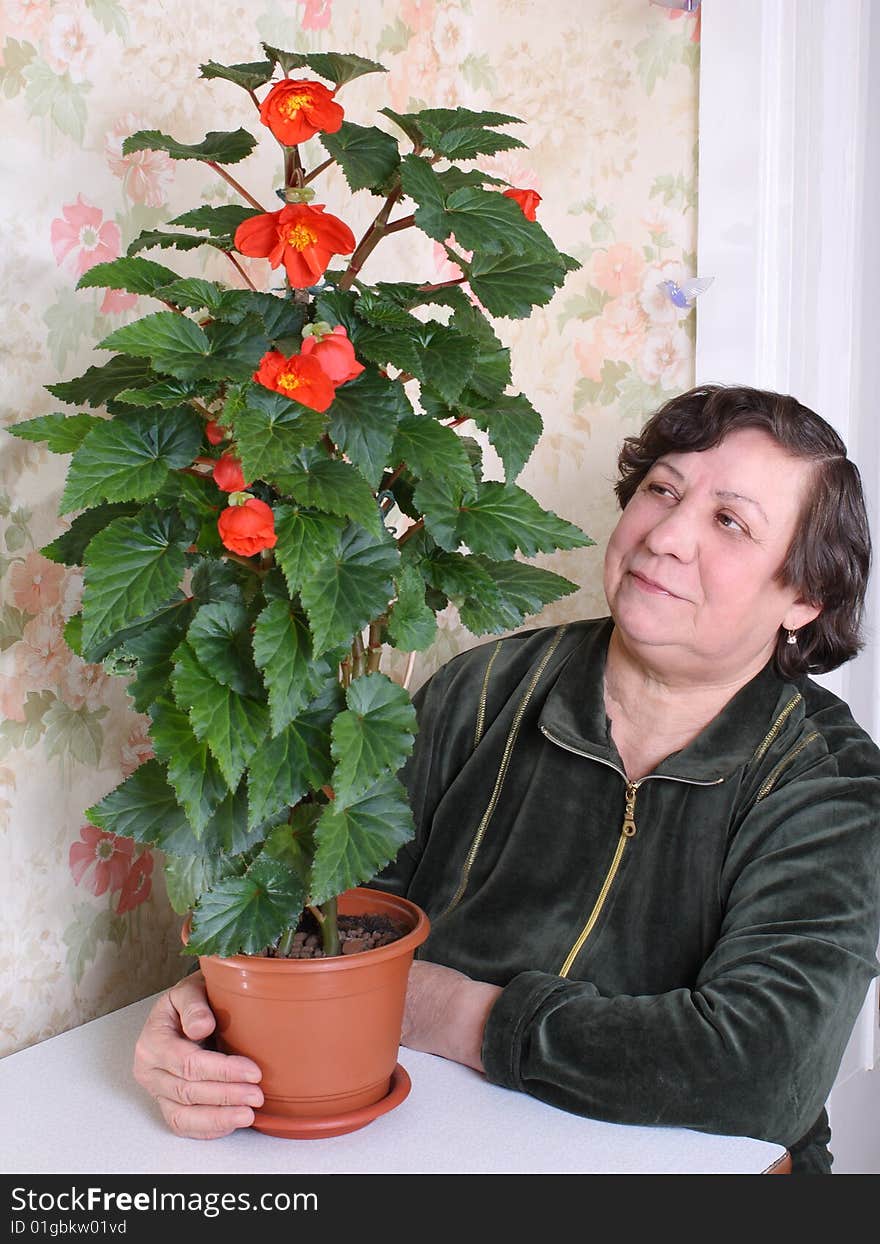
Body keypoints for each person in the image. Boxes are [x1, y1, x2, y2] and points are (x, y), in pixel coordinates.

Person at [133, 384, 880, 1173]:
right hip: (428, 1146)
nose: (666, 535)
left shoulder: (829, 785)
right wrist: (207, 1013)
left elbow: (762, 1070)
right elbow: (319, 908)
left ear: (804, 598)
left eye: (729, 521)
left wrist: (454, 1012)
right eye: (662, 489)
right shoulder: (480, 688)